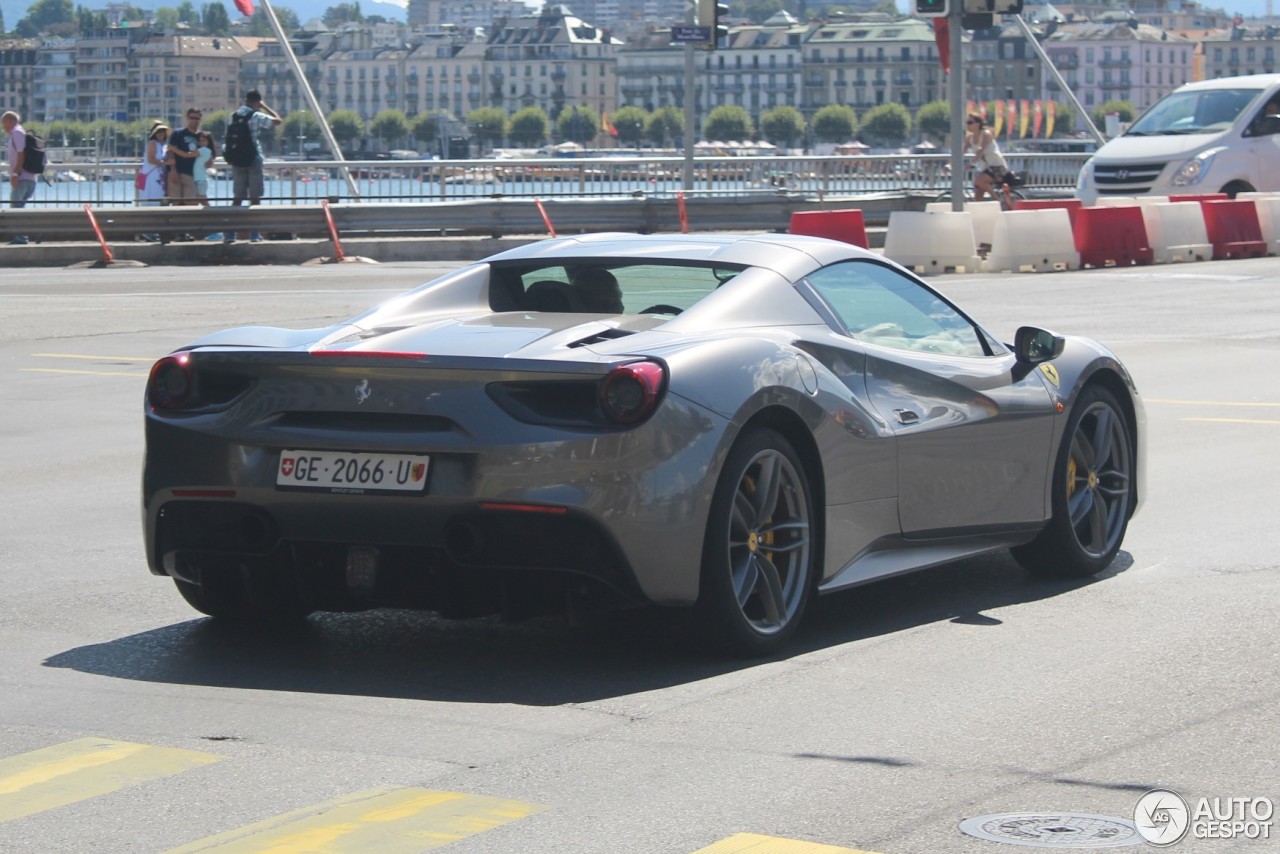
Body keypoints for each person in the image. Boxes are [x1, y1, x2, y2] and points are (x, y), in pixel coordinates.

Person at [227, 89, 282, 244]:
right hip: (253, 159)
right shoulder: (256, 116)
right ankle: (254, 234)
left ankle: (230, 234)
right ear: (257, 102)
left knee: (237, 198)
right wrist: (265, 107)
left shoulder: (233, 116)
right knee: (255, 198)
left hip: (237, 160)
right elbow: (277, 121)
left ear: (245, 100)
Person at [3, 110, 38, 245]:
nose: (3, 126)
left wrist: (15, 174)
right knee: (19, 207)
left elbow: (21, 154)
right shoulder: (21, 132)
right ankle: (21, 235)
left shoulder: (17, 132)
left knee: (16, 208)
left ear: (10, 121)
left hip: (22, 178)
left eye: (3, 123)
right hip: (29, 178)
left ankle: (21, 237)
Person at [963, 113, 1012, 207]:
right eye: (967, 123)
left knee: (979, 181)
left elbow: (981, 149)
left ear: (978, 124)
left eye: (970, 122)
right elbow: (961, 152)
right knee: (978, 195)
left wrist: (971, 163)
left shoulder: (986, 134)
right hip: (985, 168)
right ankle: (980, 215)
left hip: (997, 166)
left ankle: (998, 201)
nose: (968, 125)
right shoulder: (969, 138)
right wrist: (950, 164)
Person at [137, 122, 169, 242]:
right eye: (159, 132)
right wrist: (165, 163)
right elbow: (151, 159)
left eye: (163, 132)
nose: (161, 134)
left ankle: (154, 230)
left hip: (159, 176)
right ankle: (148, 230)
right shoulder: (152, 143)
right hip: (151, 177)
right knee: (151, 201)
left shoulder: (163, 145)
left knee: (158, 201)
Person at [167, 108, 203, 209]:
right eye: (192, 118)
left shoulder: (201, 136)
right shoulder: (178, 133)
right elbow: (170, 152)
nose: (194, 120)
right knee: (175, 202)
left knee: (191, 203)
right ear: (187, 118)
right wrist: (172, 170)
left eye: (197, 118)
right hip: (176, 172)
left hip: (191, 174)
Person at [193, 131, 216, 202]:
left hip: (200, 179)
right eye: (200, 141)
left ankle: (210, 212)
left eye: (204, 141)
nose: (201, 143)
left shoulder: (203, 150)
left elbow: (187, 155)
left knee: (202, 200)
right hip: (199, 178)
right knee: (200, 199)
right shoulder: (207, 151)